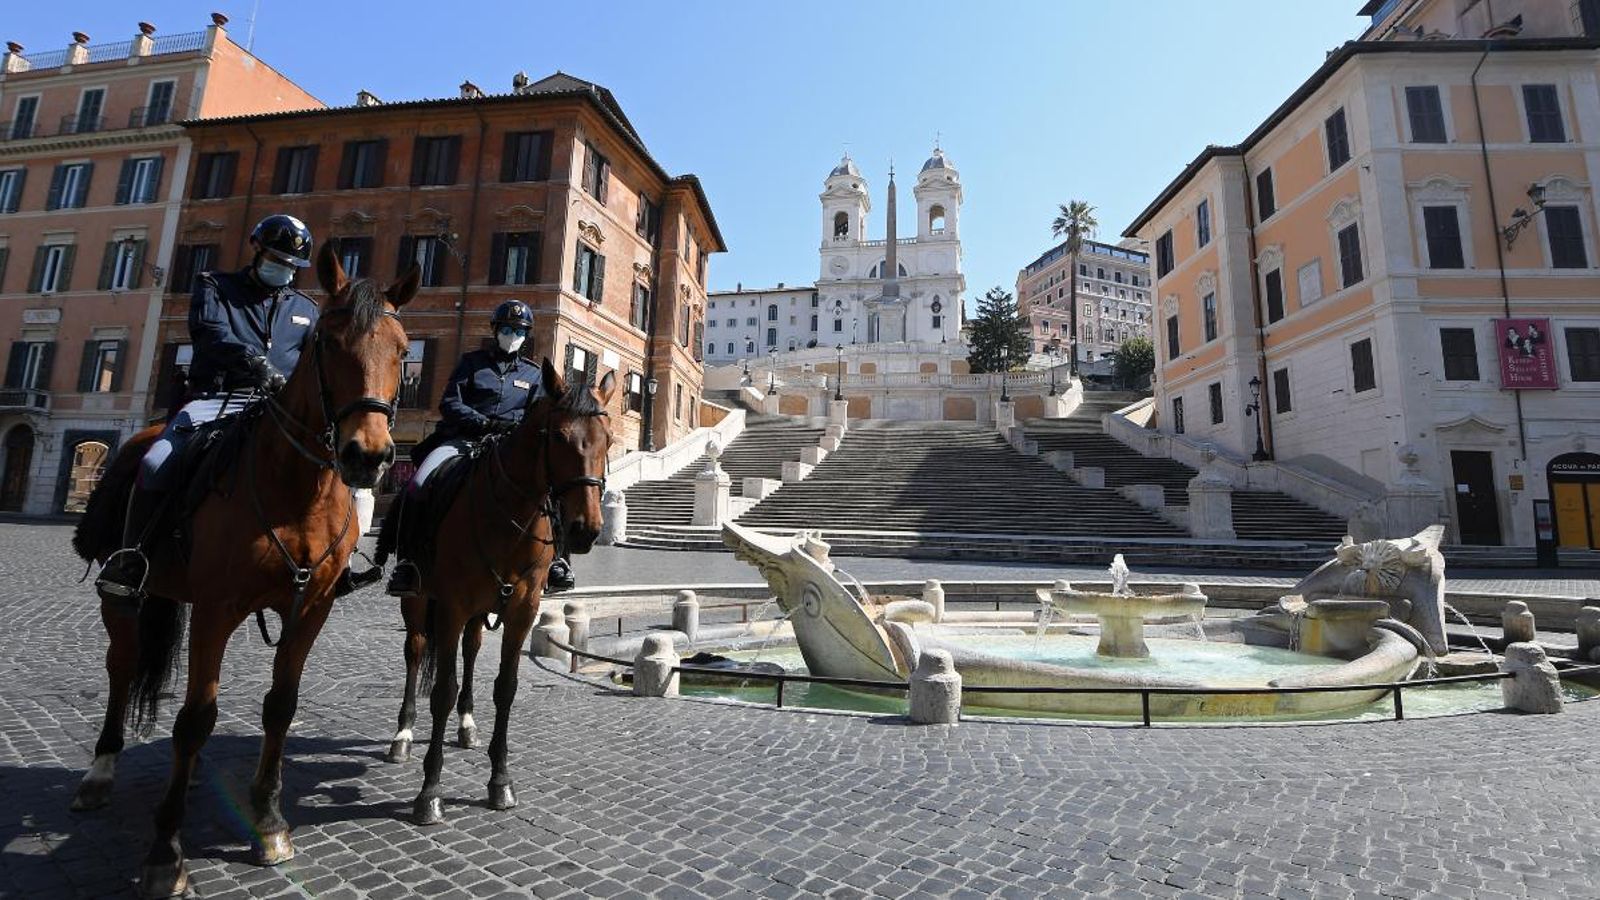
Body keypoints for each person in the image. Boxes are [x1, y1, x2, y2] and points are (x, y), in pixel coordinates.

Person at [96, 214, 320, 597]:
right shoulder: (215, 286)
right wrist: (253, 362)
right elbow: (210, 332)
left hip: (275, 409)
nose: (283, 269)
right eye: (277, 259)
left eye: (290, 265)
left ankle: (332, 560)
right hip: (217, 400)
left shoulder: (307, 308)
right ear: (258, 250)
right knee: (155, 462)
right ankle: (132, 556)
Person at [385, 300, 576, 597]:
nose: (513, 335)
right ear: (495, 330)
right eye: (508, 329)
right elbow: (450, 403)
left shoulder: (533, 374)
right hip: (463, 441)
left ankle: (558, 562)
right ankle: (407, 562)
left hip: (510, 448)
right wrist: (484, 423)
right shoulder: (471, 363)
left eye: (520, 330)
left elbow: (536, 415)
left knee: (553, 493)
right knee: (420, 482)